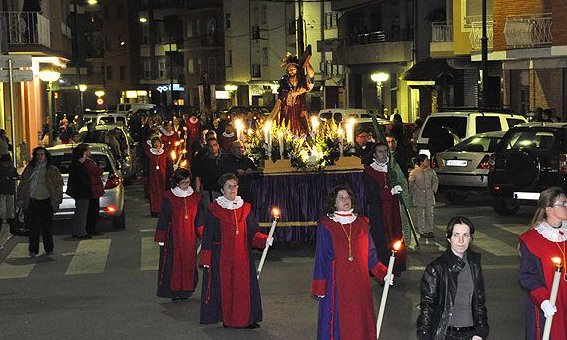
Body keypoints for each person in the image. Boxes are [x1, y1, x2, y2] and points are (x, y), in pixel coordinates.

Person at [312, 185, 393, 340]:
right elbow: (321, 257)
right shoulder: (327, 226)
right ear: (334, 203)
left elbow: (371, 255)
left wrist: (384, 273)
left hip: (360, 284)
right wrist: (320, 286)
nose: (345, 200)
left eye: (348, 197)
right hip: (336, 283)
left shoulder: (362, 224)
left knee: (359, 320)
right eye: (341, 197)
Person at [199, 173, 273, 328]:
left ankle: (247, 319)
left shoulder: (245, 208)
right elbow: (207, 236)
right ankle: (228, 318)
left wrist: (264, 239)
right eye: (229, 186)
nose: (233, 189)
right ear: (222, 190)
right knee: (226, 288)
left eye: (235, 186)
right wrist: (206, 258)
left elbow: (252, 233)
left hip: (243, 256)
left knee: (243, 288)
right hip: (222, 256)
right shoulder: (214, 210)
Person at [417, 216, 489, 340]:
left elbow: (480, 301)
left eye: (465, 235)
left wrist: (481, 331)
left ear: (470, 238)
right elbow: (427, 306)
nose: (461, 240)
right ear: (448, 237)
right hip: (446, 334)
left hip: (471, 334)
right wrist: (425, 336)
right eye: (456, 235)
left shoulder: (474, 264)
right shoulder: (436, 268)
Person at [519, 187, 567, 340]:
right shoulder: (532, 240)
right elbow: (527, 276)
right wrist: (544, 300)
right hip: (547, 304)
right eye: (563, 204)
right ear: (549, 209)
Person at [154, 168, 203, 300]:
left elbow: (199, 219)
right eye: (183, 182)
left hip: (189, 237)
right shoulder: (169, 197)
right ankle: (173, 291)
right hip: (172, 237)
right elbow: (163, 217)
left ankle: (186, 290)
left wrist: (203, 234)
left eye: (188, 182)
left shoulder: (196, 197)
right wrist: (161, 237)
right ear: (177, 183)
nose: (186, 185)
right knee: (173, 263)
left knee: (188, 263)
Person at [362, 142, 409, 276]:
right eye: (380, 152)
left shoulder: (391, 169)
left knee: (395, 236)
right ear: (374, 155)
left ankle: (396, 267)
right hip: (379, 212)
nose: (383, 154)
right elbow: (371, 194)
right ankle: (382, 269)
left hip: (393, 210)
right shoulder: (369, 172)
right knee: (381, 239)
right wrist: (389, 193)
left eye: (385, 151)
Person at [16, 147, 64, 257]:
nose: (39, 157)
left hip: (46, 201)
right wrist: (20, 199)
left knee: (47, 228)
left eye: (42, 154)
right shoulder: (30, 169)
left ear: (46, 156)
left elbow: (58, 185)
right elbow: (23, 184)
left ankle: (49, 249)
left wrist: (57, 199)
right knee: (33, 228)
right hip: (33, 200)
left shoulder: (52, 169)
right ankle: (33, 250)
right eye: (37, 155)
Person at [270, 52, 314, 135]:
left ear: (297, 70)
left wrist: (307, 62)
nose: (291, 71)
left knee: (302, 128)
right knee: (287, 128)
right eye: (289, 70)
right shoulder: (284, 81)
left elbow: (311, 75)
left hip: (300, 108)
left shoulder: (302, 80)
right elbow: (282, 95)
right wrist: (294, 93)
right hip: (287, 110)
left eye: (293, 69)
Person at [409, 154, 439, 239]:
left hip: (429, 196)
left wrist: (433, 190)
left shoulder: (431, 171)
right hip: (419, 196)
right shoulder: (414, 172)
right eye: (426, 160)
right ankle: (422, 231)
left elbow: (435, 181)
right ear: (421, 162)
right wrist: (414, 191)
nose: (428, 162)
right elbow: (411, 183)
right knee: (420, 214)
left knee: (430, 214)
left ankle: (430, 230)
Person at [66, 144, 93, 239]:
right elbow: (82, 180)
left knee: (79, 212)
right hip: (82, 192)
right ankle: (81, 232)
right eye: (87, 151)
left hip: (79, 192)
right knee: (82, 212)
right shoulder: (79, 166)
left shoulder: (76, 165)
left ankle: (77, 231)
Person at [145, 137, 169, 217]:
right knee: (154, 193)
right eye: (155, 143)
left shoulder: (165, 153)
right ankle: (155, 210)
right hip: (153, 177)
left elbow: (169, 165)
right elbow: (146, 167)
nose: (157, 144)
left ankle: (163, 210)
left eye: (158, 142)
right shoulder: (149, 154)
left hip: (163, 177)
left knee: (164, 193)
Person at [83, 145, 104, 236]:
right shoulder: (88, 163)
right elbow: (97, 171)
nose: (90, 152)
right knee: (93, 210)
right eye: (88, 150)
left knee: (92, 210)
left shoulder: (87, 162)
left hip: (92, 189)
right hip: (92, 189)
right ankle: (90, 229)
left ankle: (90, 228)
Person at [0, 154, 18, 229]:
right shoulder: (9, 168)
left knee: (9, 206)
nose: (6, 164)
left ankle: (9, 219)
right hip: (3, 190)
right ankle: (4, 218)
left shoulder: (12, 168)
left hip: (9, 190)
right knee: (3, 206)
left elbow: (16, 175)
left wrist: (18, 177)